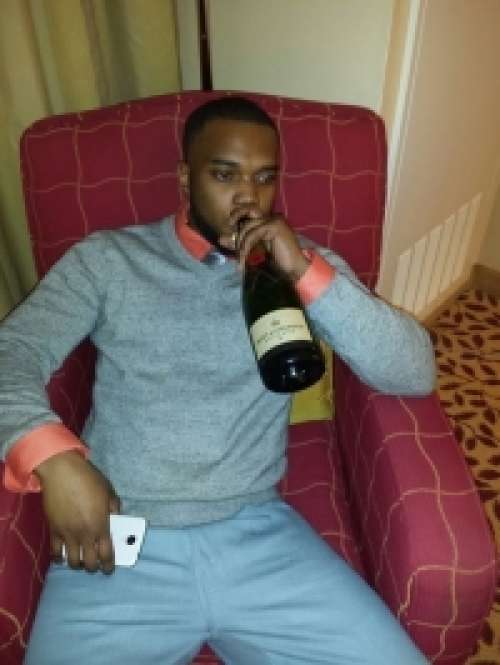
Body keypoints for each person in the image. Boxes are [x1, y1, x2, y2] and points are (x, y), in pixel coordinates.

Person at [0, 96, 435, 664]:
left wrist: (305, 272)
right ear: (185, 178)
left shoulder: (300, 263)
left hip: (261, 538)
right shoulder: (107, 260)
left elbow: (413, 371)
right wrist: (53, 458)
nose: (248, 198)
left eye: (265, 178)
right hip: (117, 545)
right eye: (224, 175)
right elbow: (14, 350)